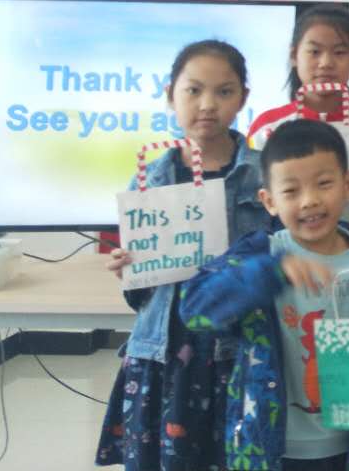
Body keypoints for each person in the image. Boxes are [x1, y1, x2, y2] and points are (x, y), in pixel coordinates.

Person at [179, 118, 349, 471]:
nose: (309, 201)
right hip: (267, 447)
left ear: (348, 184)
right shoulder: (257, 254)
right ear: (269, 201)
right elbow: (194, 310)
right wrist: (271, 272)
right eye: (291, 191)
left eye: (323, 184)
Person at [97, 40, 272, 471]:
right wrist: (128, 270)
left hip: (236, 351)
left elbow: (279, 263)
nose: (207, 104)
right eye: (193, 90)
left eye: (224, 91)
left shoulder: (265, 175)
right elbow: (141, 296)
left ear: (243, 98)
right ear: (170, 95)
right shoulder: (150, 179)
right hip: (165, 351)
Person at [246, 5, 349, 236]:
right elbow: (251, 209)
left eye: (339, 52)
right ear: (294, 55)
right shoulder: (266, 127)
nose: (326, 63)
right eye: (314, 52)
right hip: (283, 252)